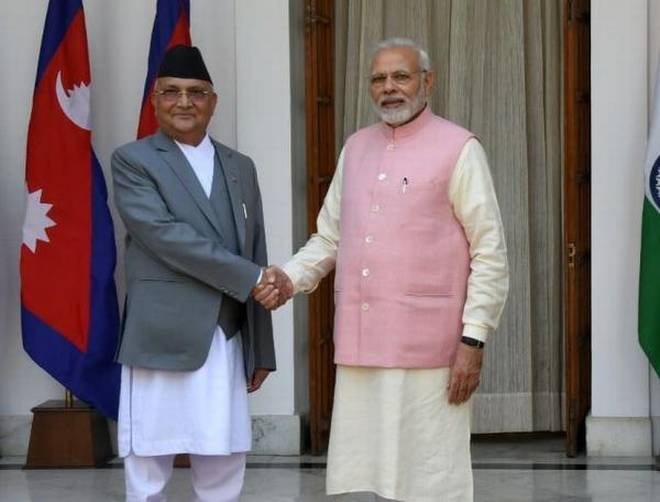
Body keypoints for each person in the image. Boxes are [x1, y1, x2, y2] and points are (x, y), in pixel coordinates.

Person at [277, 38, 509, 501]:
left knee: (430, 478)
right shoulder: (356, 147)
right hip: (362, 343)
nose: (389, 88)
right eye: (379, 79)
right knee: (371, 476)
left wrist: (474, 337)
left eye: (400, 76)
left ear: (428, 82)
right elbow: (330, 237)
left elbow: (490, 251)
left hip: (431, 349)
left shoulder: (459, 147)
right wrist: (290, 277)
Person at [112, 45, 288, 502]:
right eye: (171, 92)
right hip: (161, 334)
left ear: (213, 101)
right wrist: (252, 277)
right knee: (149, 459)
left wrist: (260, 347)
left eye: (196, 92)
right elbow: (165, 237)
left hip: (225, 335)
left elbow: (257, 248)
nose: (184, 102)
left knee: (223, 456)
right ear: (155, 100)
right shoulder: (134, 160)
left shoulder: (240, 166)